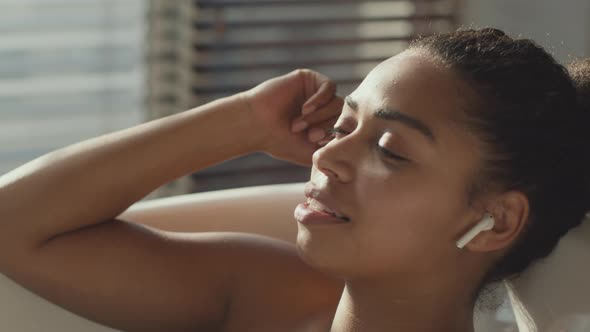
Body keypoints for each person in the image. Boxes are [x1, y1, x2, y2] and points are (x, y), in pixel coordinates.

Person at [0, 27, 589, 332]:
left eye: (389, 148)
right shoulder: (270, 296)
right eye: (340, 126)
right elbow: (12, 224)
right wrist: (244, 121)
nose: (327, 157)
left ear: (495, 220)